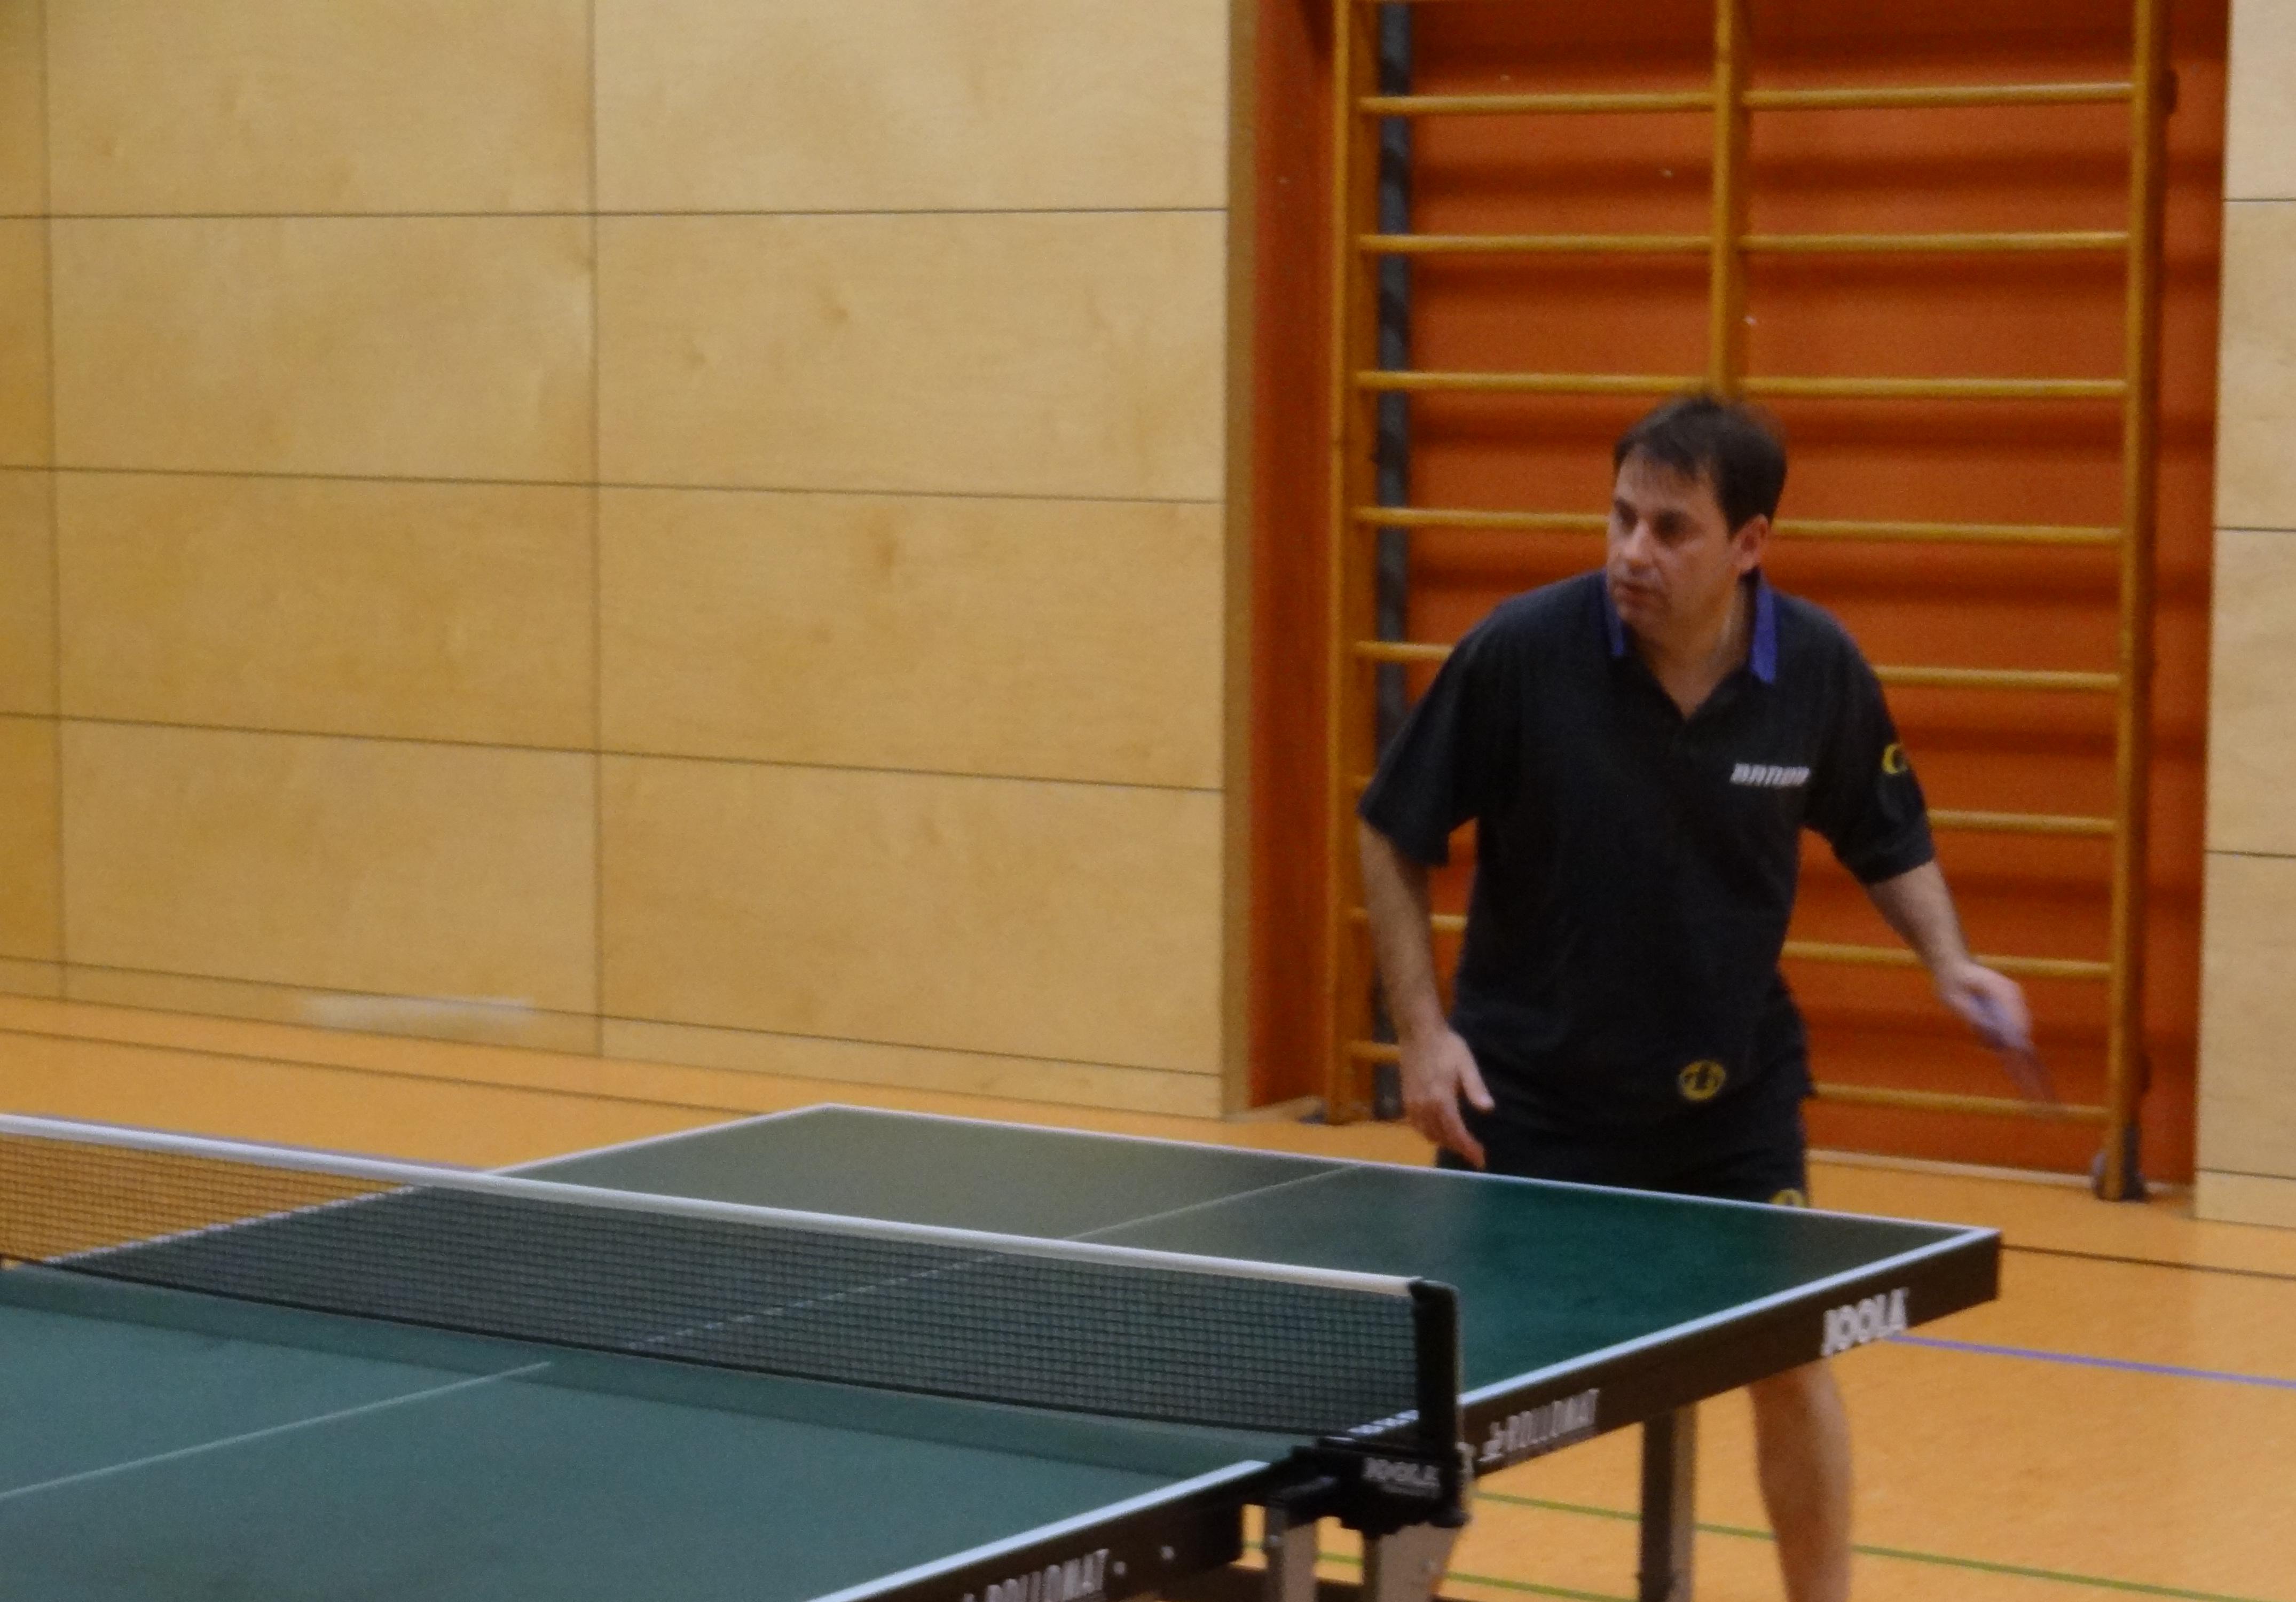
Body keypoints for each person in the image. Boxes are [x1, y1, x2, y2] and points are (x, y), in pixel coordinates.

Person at [1355, 393, 2052, 1602]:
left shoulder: (1815, 669)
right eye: (1621, 517)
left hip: (1728, 1094)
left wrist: (1950, 961)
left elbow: (1883, 832)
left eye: (1671, 528)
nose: (1633, 550)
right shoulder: (1523, 652)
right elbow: (1390, 828)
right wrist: (1422, 1035)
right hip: (1533, 1094)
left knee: (1790, 1354)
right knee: (1459, 1391)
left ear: (1749, 543)